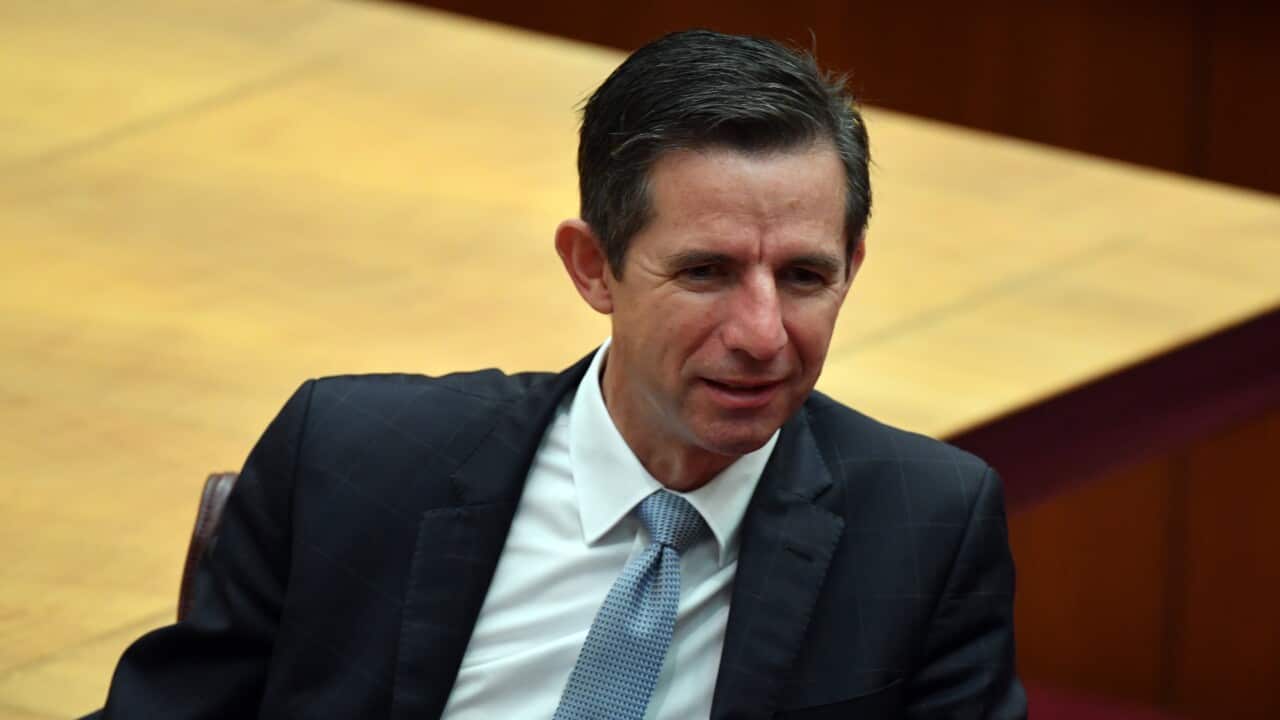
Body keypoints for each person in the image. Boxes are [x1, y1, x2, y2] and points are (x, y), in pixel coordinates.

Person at [88, 29, 1025, 719]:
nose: (762, 333)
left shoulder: (925, 524)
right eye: (705, 272)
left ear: (852, 267)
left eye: (805, 277)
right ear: (592, 267)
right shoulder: (353, 458)